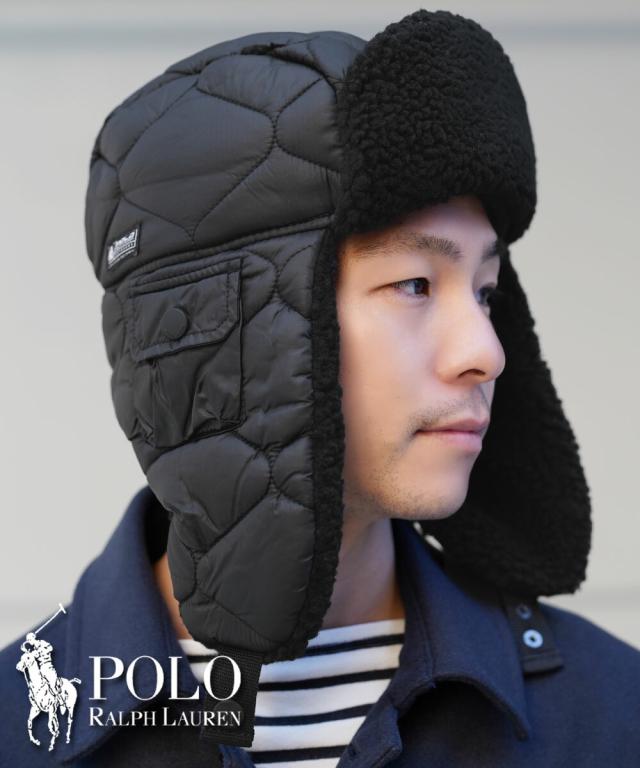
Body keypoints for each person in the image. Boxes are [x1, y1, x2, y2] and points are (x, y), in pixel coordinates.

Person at [1, 9, 639, 767]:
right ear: (224, 333)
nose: (485, 353)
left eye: (486, 290)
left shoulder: (611, 717)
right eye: (414, 284)